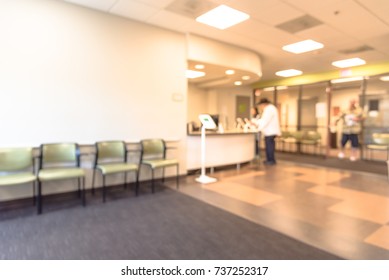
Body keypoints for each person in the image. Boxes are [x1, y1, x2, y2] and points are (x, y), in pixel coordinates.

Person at [254, 98, 281, 165]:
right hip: (271, 131)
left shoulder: (269, 109)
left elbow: (265, 120)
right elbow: (264, 120)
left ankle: (271, 160)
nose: (260, 107)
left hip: (270, 132)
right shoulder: (271, 108)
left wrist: (258, 127)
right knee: (270, 146)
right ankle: (270, 159)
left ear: (264, 104)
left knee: (269, 147)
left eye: (260, 105)